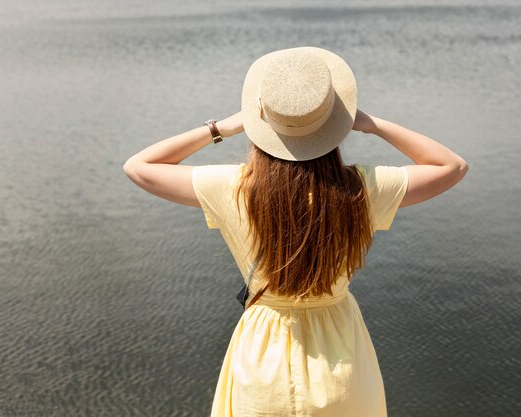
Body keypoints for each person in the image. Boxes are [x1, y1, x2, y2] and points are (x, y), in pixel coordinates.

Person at [123, 46, 468, 417]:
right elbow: (451, 166)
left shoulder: (234, 187)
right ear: (337, 122)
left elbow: (139, 166)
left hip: (262, 355)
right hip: (341, 356)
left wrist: (221, 127)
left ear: (262, 122)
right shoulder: (359, 189)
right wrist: (372, 124)